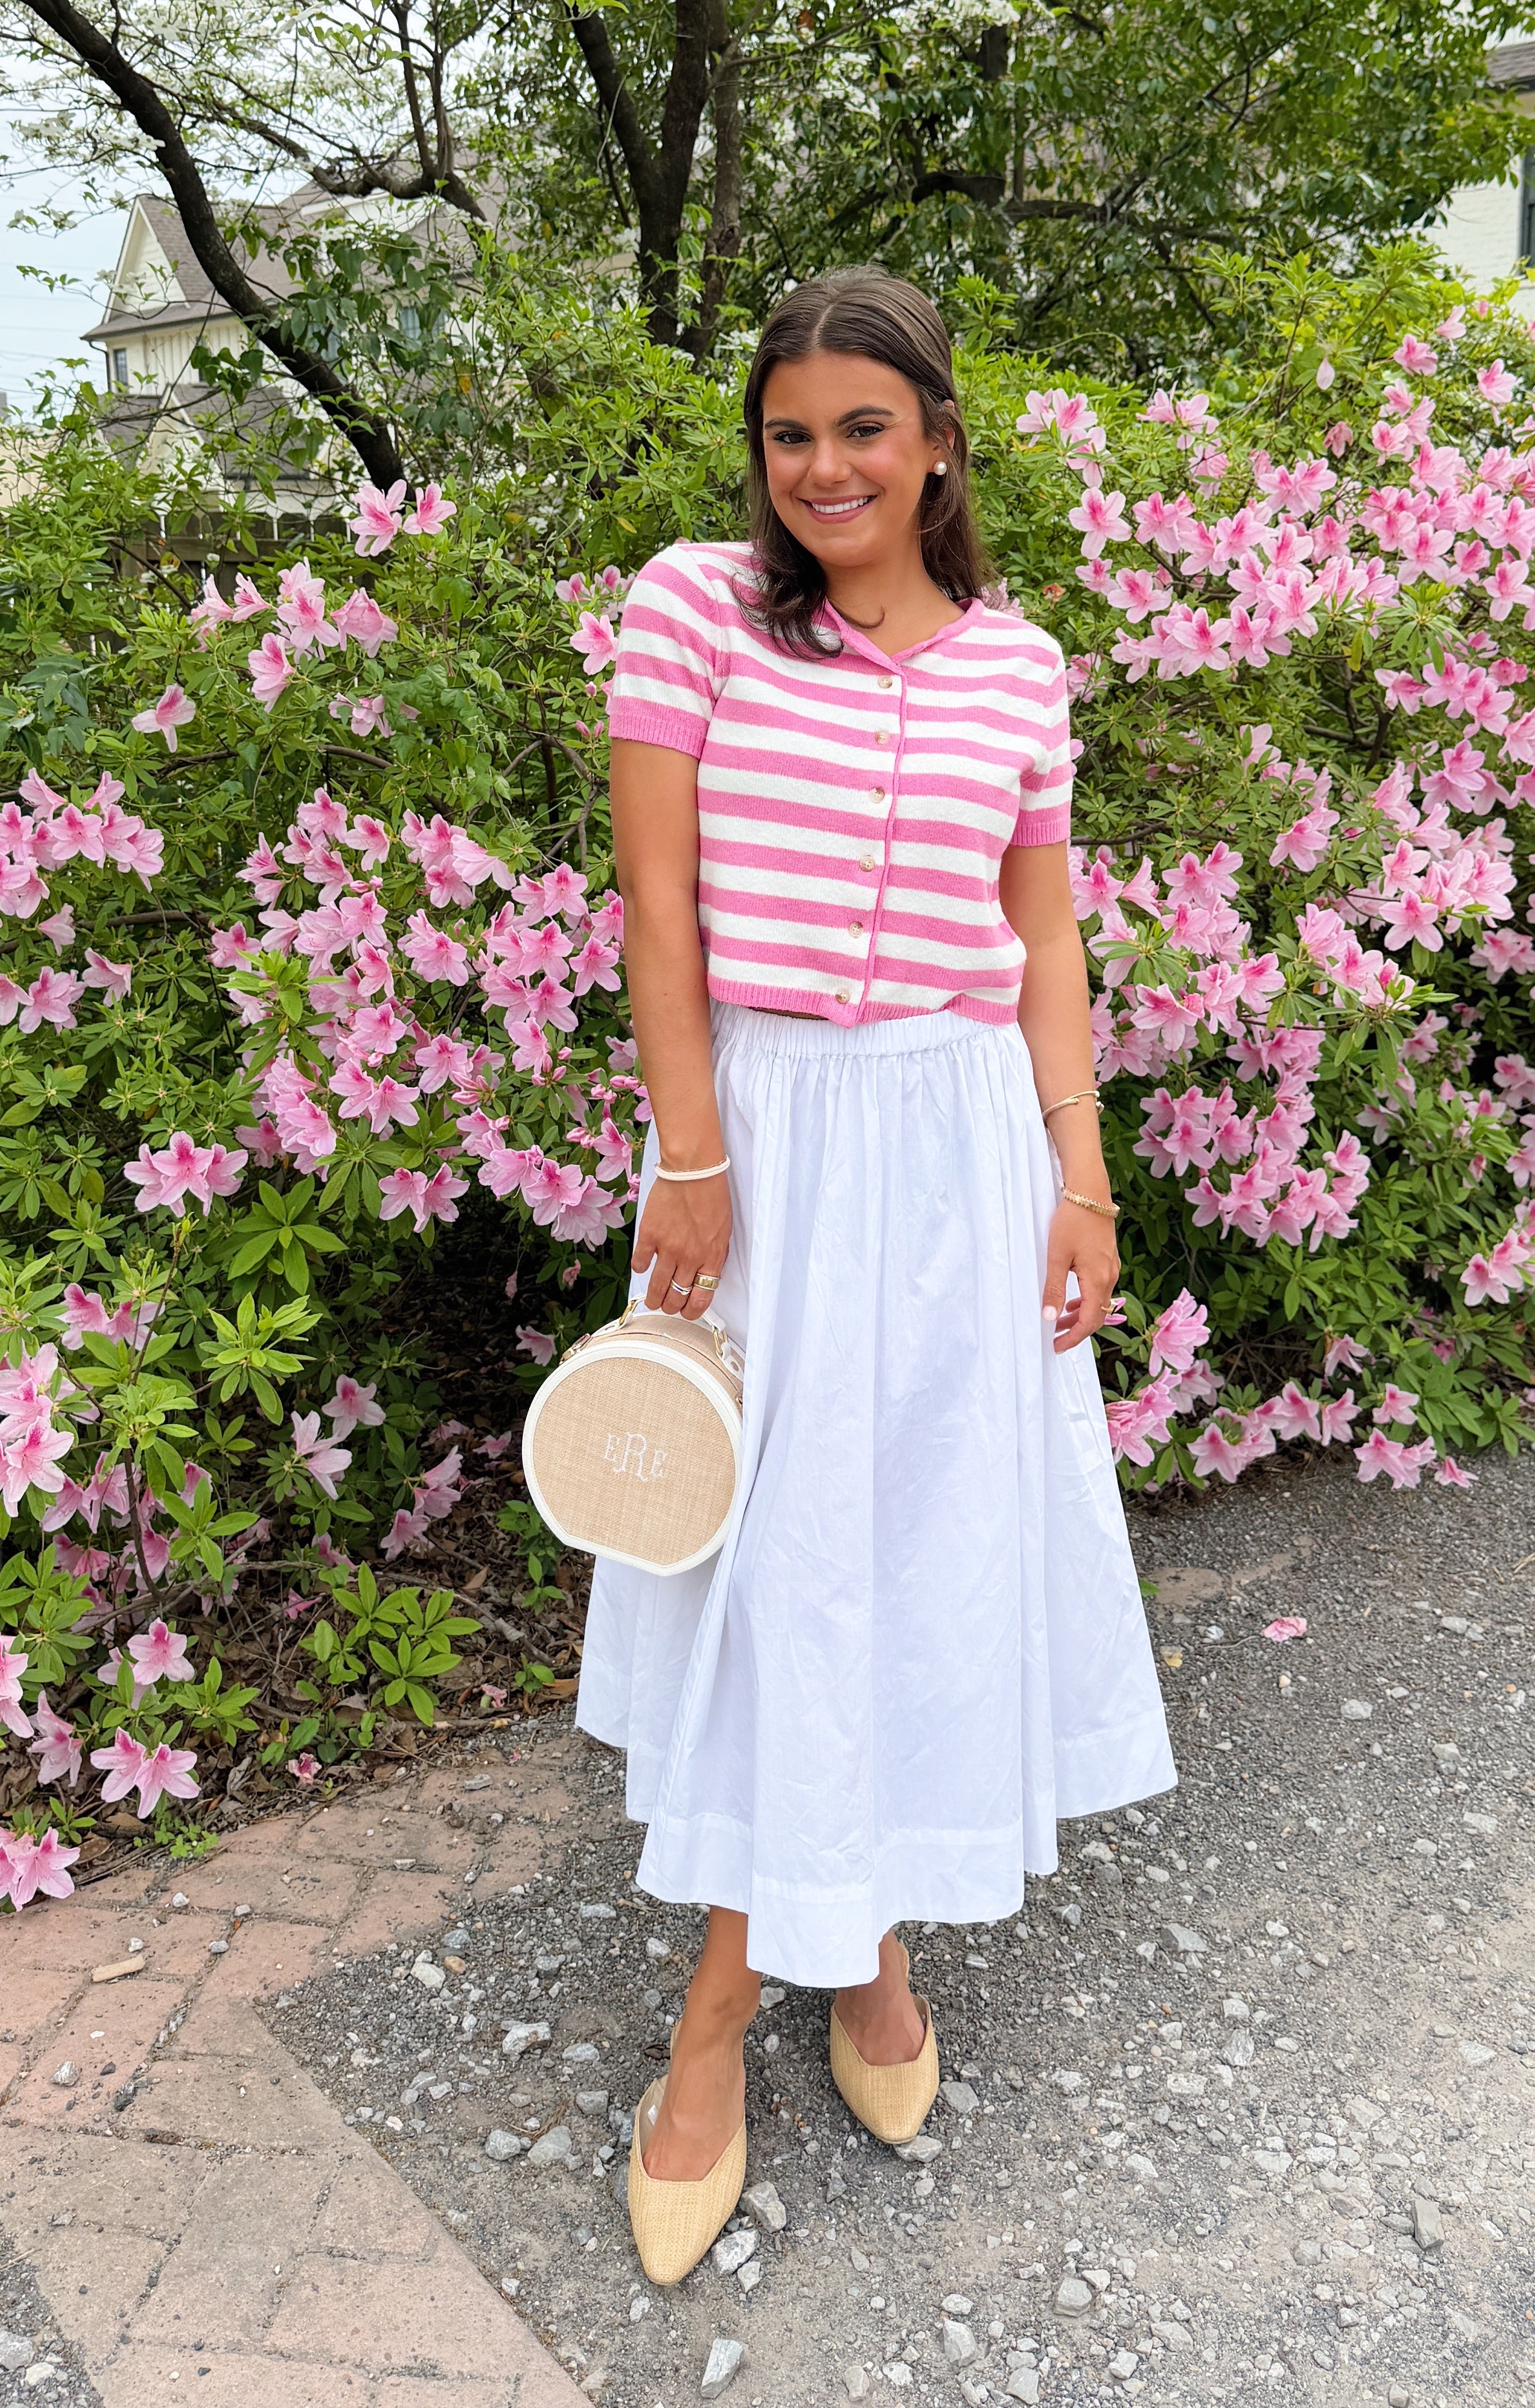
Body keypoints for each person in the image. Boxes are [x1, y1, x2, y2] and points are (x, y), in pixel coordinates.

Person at [575, 266, 1176, 2285]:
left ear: (935, 444)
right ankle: (735, 2015)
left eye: (860, 427)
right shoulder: (692, 612)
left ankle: (864, 1952)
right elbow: (657, 908)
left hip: (956, 1149)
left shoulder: (1021, 665)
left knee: (909, 1553)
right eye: (788, 431)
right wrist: (691, 1154)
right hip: (769, 1141)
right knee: (778, 1564)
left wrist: (1079, 1181)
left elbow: (1048, 937)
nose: (820, 465)